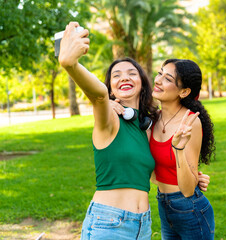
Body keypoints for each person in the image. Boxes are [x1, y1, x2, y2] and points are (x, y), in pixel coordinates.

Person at [59, 22, 210, 240]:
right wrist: (70, 64)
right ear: (111, 87)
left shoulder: (146, 127)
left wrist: (192, 177)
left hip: (142, 225)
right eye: (116, 75)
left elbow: (144, 173)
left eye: (132, 73)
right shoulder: (107, 118)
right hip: (108, 223)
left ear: (142, 82)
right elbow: (99, 96)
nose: (124, 77)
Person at [150, 59, 215, 239]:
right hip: (163, 205)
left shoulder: (190, 123)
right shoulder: (151, 119)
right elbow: (152, 174)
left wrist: (178, 149)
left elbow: (187, 190)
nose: (158, 80)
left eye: (168, 78)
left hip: (190, 209)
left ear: (184, 91)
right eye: (160, 73)